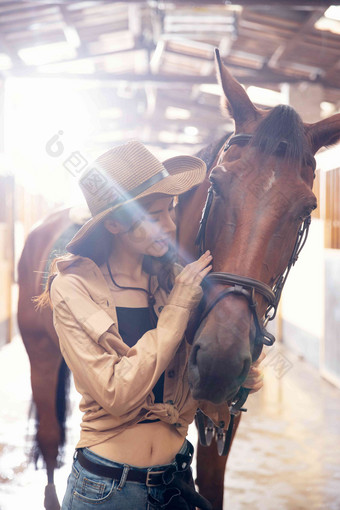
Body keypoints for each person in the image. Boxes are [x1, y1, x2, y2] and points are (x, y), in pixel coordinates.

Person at [39, 141, 264, 510]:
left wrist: (235, 380)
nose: (169, 226)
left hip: (177, 482)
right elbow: (117, 393)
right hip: (108, 490)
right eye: (153, 216)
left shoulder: (171, 280)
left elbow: (195, 394)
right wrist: (178, 307)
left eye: (170, 210)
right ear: (113, 223)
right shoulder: (73, 288)